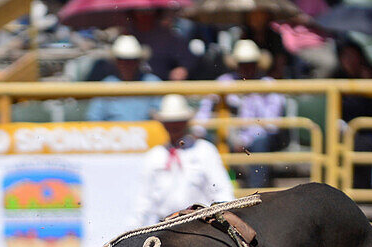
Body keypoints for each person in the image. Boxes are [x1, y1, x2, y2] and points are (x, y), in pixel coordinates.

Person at [132, 94, 234, 226]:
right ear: (163, 124)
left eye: (178, 120)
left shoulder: (205, 151)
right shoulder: (154, 156)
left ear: (186, 122)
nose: (174, 125)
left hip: (201, 224)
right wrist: (133, 229)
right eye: (170, 121)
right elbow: (143, 201)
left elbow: (222, 191)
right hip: (165, 225)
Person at [196, 39, 285, 189]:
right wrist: (198, 130)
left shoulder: (268, 84)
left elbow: (272, 125)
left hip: (257, 137)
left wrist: (244, 139)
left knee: (260, 142)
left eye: (250, 63)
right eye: (243, 63)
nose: (247, 68)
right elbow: (205, 108)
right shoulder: (224, 82)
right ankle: (214, 190)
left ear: (257, 64)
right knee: (207, 144)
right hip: (228, 135)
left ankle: (256, 191)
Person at [335, 38, 372, 189]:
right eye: (345, 56)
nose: (349, 61)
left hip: (368, 131)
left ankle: (362, 189)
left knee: (362, 143)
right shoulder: (336, 77)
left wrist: (367, 87)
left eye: (353, 56)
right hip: (344, 129)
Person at [85, 35, 161, 122]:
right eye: (122, 60)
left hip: (147, 134)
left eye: (131, 60)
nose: (126, 64)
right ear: (116, 62)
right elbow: (94, 118)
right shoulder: (105, 85)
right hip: (113, 134)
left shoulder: (153, 83)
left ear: (138, 61)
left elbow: (161, 114)